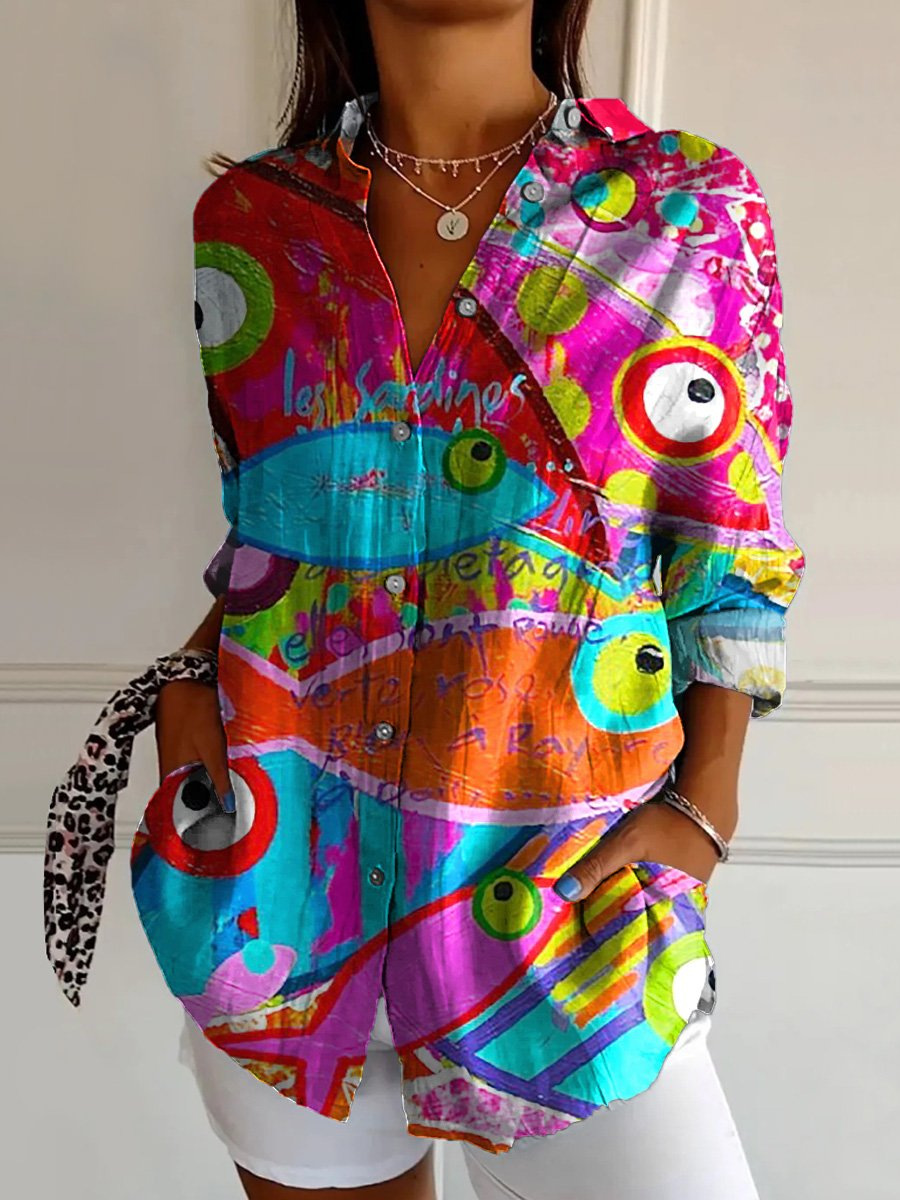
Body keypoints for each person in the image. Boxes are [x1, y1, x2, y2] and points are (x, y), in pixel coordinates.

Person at [149, 1, 804, 1197]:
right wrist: (190, 679)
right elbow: (280, 527)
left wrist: (705, 810)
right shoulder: (251, 222)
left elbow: (731, 544)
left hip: (567, 905)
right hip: (280, 897)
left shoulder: (687, 206)